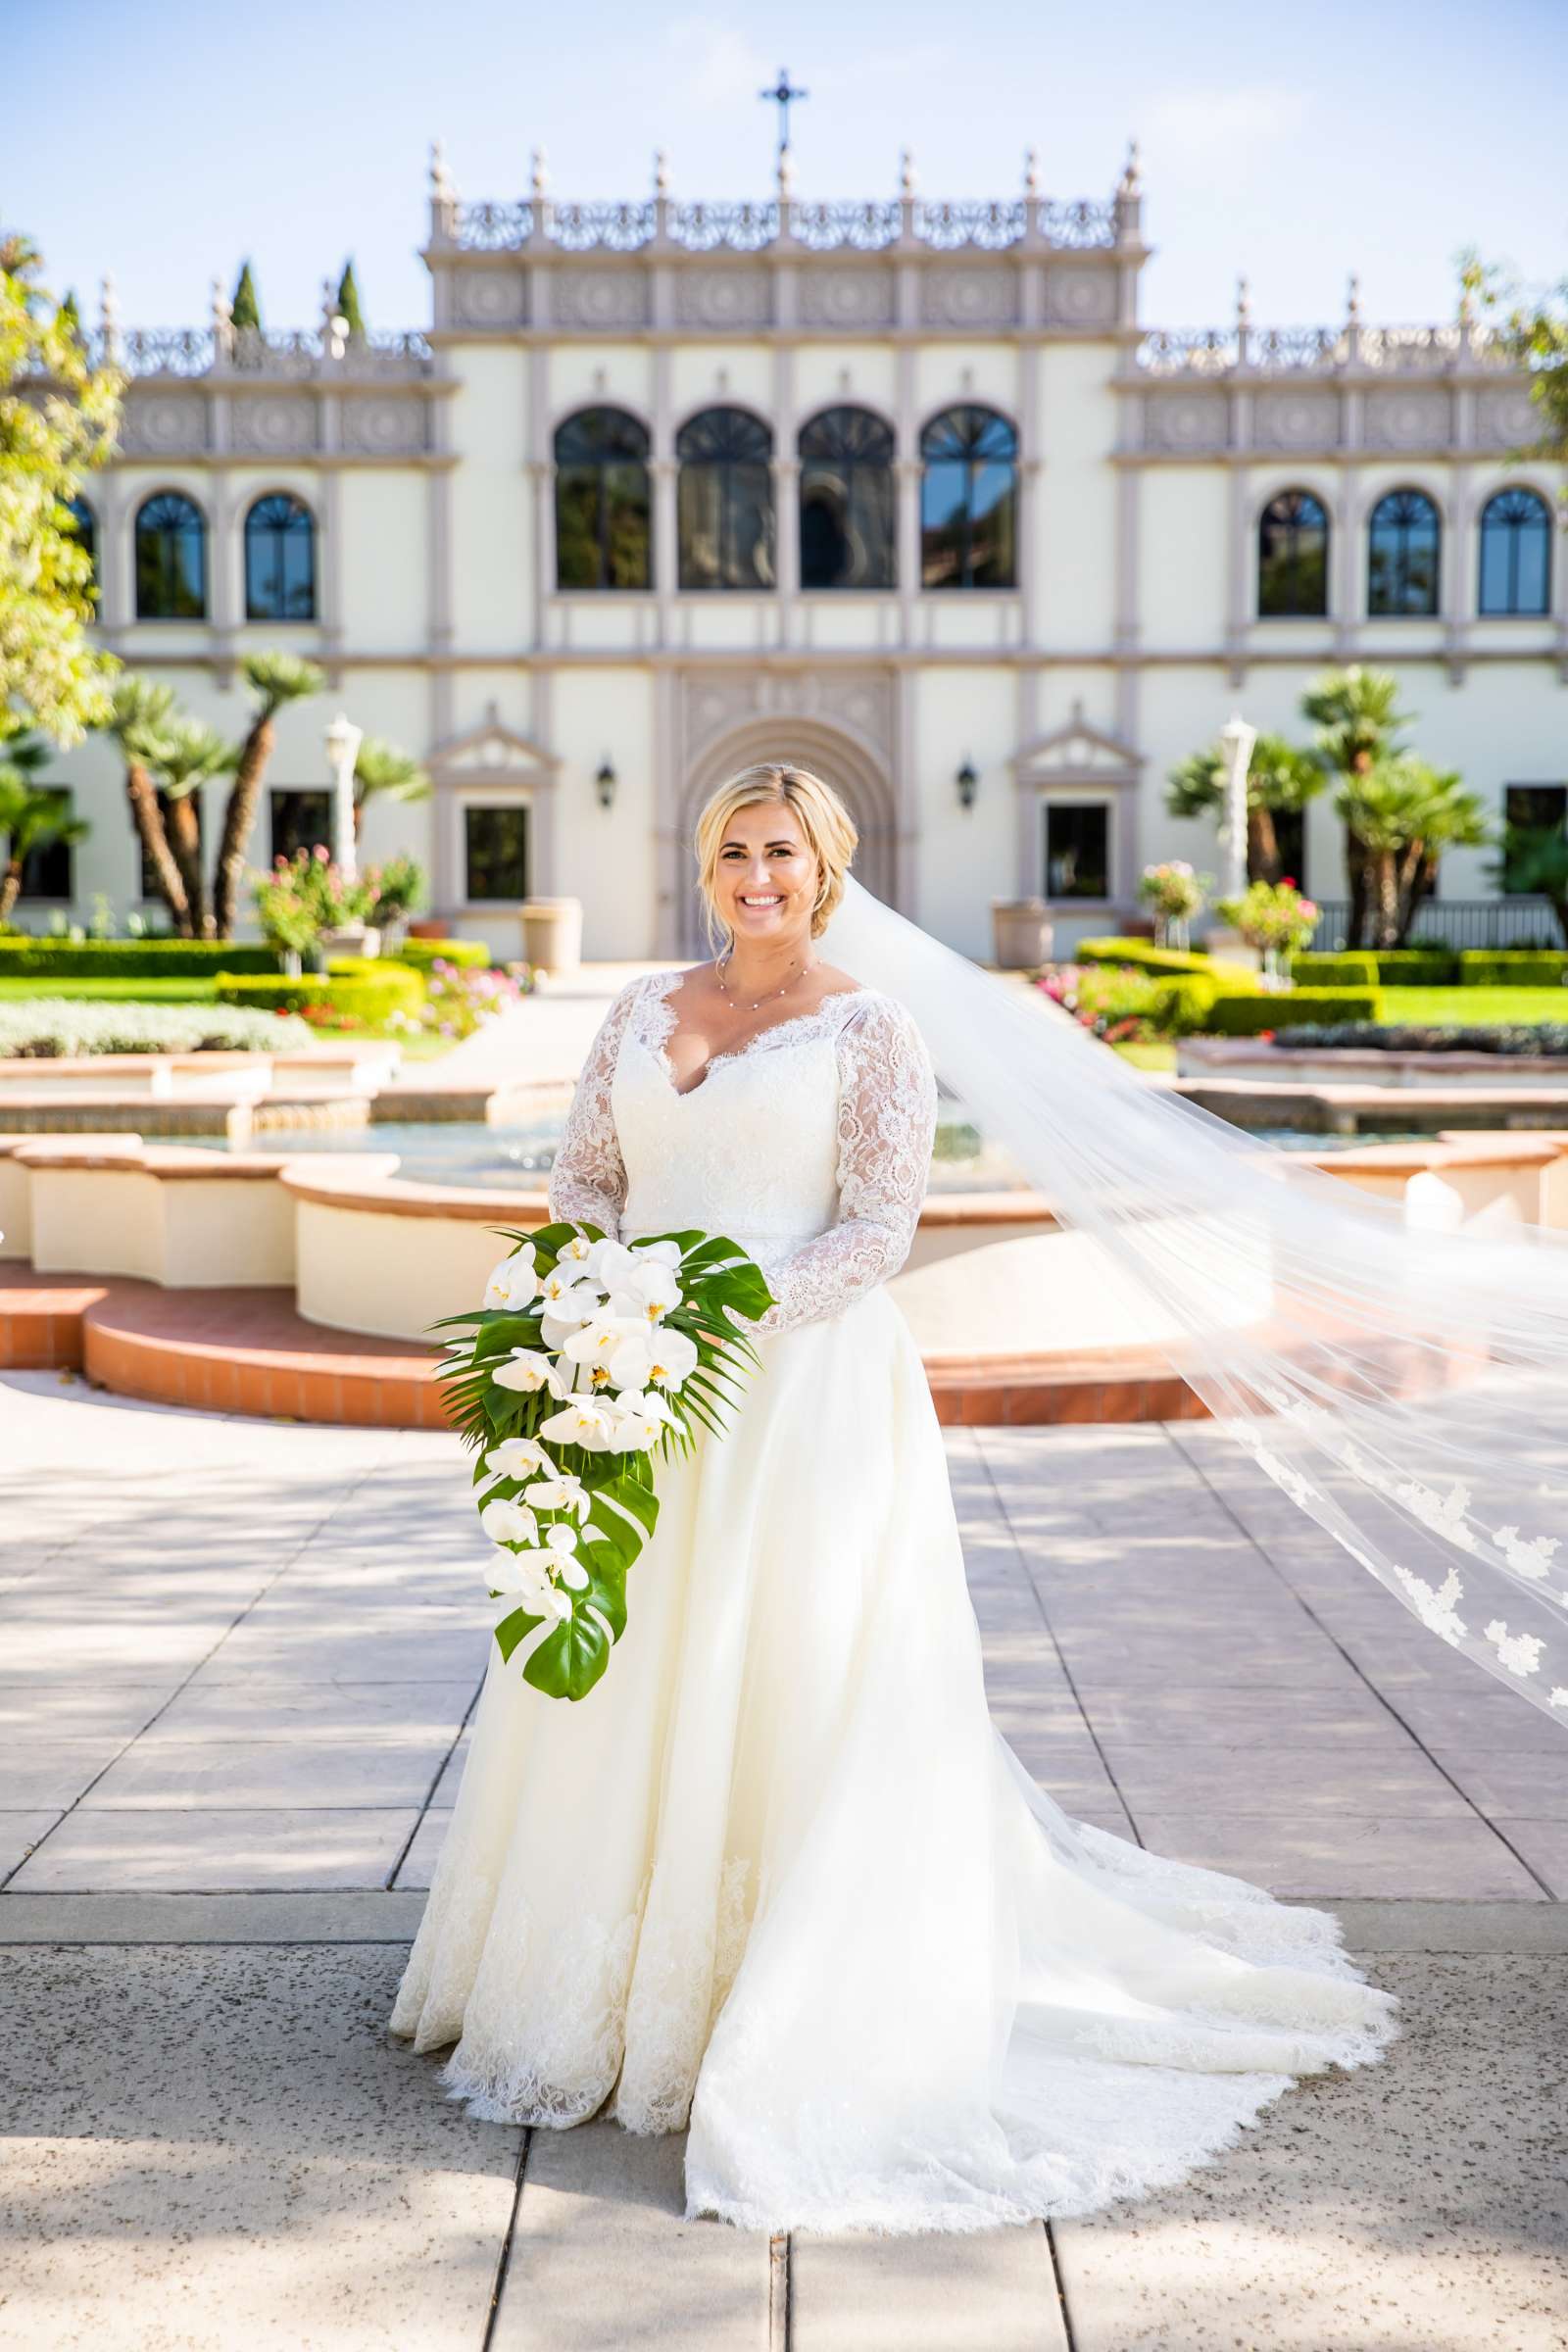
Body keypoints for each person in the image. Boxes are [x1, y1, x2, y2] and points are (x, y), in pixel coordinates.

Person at [389, 760, 1401, 2232]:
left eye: (781, 853)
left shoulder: (873, 1028)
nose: (755, 877)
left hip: (791, 1400)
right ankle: (582, 1991)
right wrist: (593, 1305)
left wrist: (704, 1320)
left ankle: (769, 1984)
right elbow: (583, 1186)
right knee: (617, 1661)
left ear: (828, 865)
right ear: (705, 860)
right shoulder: (635, 1011)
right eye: (733, 849)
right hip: (623, 1399)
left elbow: (876, 1232)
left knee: (778, 1684)